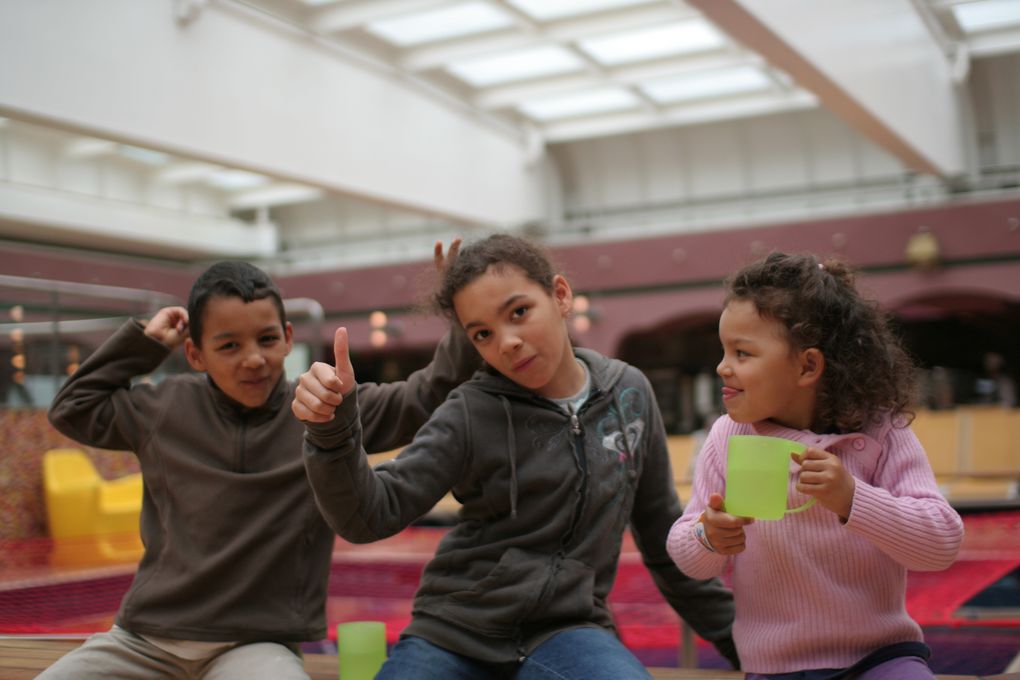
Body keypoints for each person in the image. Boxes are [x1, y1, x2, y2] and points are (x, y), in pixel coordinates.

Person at [294, 233, 738, 680]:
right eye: (483, 333)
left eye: (519, 312)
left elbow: (663, 536)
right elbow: (372, 514)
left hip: (570, 630)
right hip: (454, 631)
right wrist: (332, 431)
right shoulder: (471, 411)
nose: (506, 342)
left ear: (560, 295)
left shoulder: (629, 394)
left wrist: (740, 643)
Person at [40, 244, 478, 680]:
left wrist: (462, 310)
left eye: (267, 339)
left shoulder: (323, 409)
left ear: (288, 337)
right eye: (228, 345)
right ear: (194, 354)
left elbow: (428, 395)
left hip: (257, 646)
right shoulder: (162, 408)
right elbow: (72, 409)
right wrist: (146, 344)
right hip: (144, 640)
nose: (253, 358)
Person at [666, 252, 964, 680]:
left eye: (742, 353)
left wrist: (853, 499)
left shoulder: (881, 432)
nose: (722, 367)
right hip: (775, 669)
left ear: (807, 365)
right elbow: (687, 556)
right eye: (724, 350)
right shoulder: (728, 437)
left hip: (879, 657)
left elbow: (941, 544)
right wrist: (709, 536)